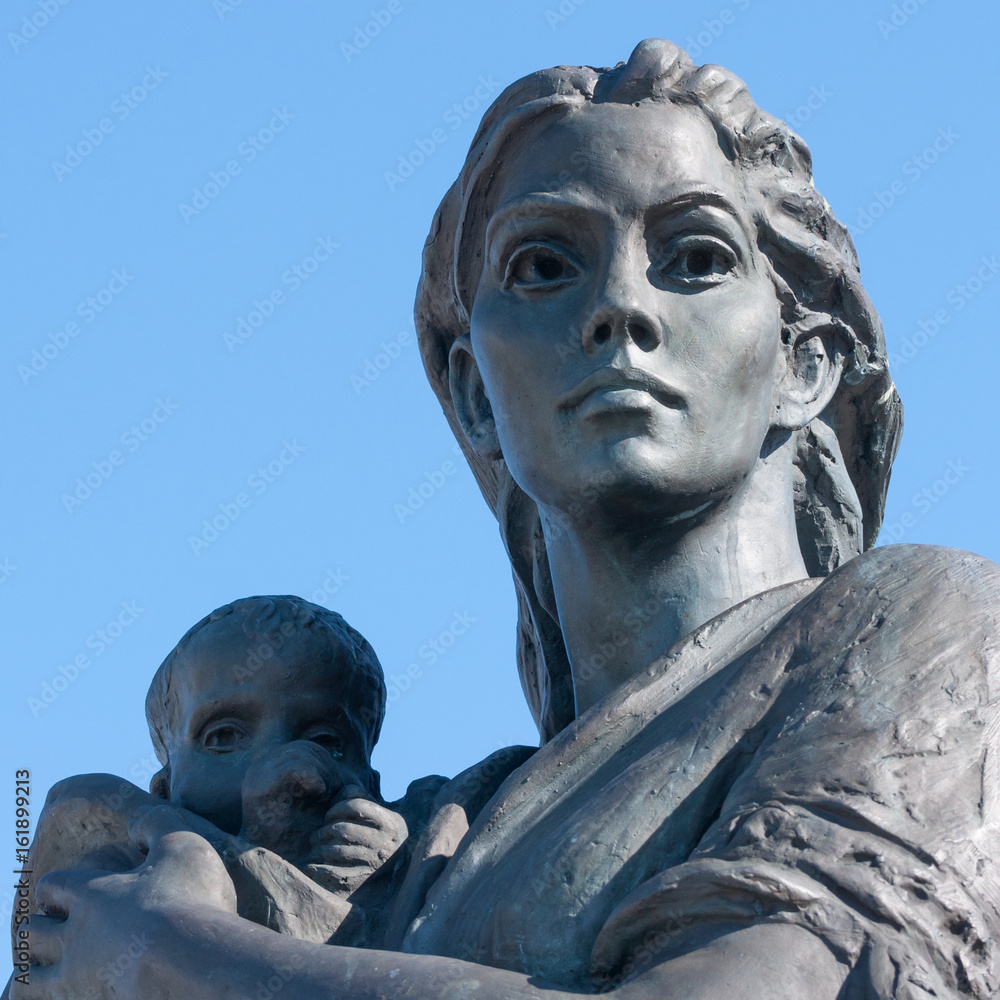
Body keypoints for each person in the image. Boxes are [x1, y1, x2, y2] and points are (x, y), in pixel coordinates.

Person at [16, 39, 1000, 1000]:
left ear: (803, 363)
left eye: (695, 257)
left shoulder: (936, 626)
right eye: (543, 265)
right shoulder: (433, 842)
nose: (619, 307)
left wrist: (177, 956)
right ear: (472, 392)